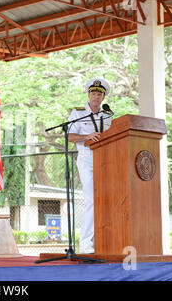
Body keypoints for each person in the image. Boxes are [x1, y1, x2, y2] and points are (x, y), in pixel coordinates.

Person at [68, 78, 113, 254]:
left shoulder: (108, 116)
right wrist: (86, 137)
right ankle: (85, 244)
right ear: (88, 95)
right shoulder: (78, 113)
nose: (96, 96)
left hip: (107, 160)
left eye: (99, 94)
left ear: (103, 98)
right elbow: (69, 137)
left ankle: (103, 240)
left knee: (106, 200)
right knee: (92, 200)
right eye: (93, 93)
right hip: (87, 159)